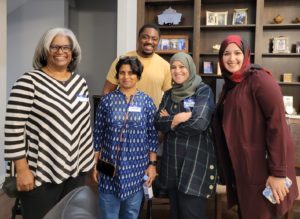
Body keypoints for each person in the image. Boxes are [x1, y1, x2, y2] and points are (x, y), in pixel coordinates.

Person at [4, 27, 95, 219]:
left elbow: (84, 126)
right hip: (40, 171)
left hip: (76, 170)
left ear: (73, 52)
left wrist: (88, 162)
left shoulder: (80, 83)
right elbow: (13, 127)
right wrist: (22, 170)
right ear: (45, 51)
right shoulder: (28, 82)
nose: (60, 52)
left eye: (65, 47)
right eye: (54, 47)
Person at [212, 35, 299, 219]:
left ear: (246, 54)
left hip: (262, 169)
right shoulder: (230, 85)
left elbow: (278, 125)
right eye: (226, 53)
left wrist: (278, 173)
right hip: (244, 167)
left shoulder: (259, 79)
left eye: (237, 53)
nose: (232, 58)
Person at [93, 56, 158, 219]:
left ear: (138, 76)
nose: (126, 77)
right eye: (122, 73)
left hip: (137, 169)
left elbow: (152, 136)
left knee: (130, 214)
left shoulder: (147, 102)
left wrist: (152, 165)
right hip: (108, 166)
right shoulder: (106, 101)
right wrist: (95, 164)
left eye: (131, 73)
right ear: (117, 76)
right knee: (109, 214)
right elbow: (98, 134)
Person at [154, 53, 218, 219]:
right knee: (175, 213)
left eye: (182, 67)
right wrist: (176, 118)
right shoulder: (169, 94)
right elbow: (157, 122)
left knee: (191, 214)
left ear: (190, 67)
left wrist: (171, 124)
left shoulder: (203, 91)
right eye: (173, 67)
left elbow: (199, 123)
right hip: (173, 164)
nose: (177, 71)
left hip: (195, 163)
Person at [102, 23, 171, 109]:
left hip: (152, 118)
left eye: (154, 39)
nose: (149, 41)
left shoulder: (165, 66)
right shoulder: (123, 60)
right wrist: (111, 111)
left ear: (158, 42)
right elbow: (108, 90)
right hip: (124, 116)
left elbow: (169, 96)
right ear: (138, 38)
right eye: (145, 37)